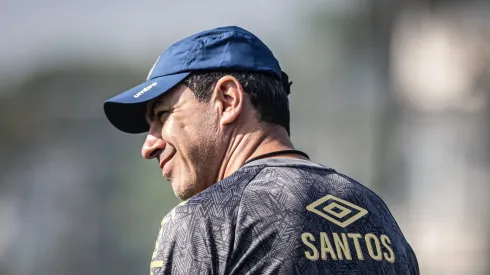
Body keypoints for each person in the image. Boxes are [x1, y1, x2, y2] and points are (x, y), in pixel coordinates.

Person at [103, 26, 419, 275]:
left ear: (227, 100)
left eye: (162, 116)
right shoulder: (377, 215)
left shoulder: (203, 221)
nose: (149, 145)